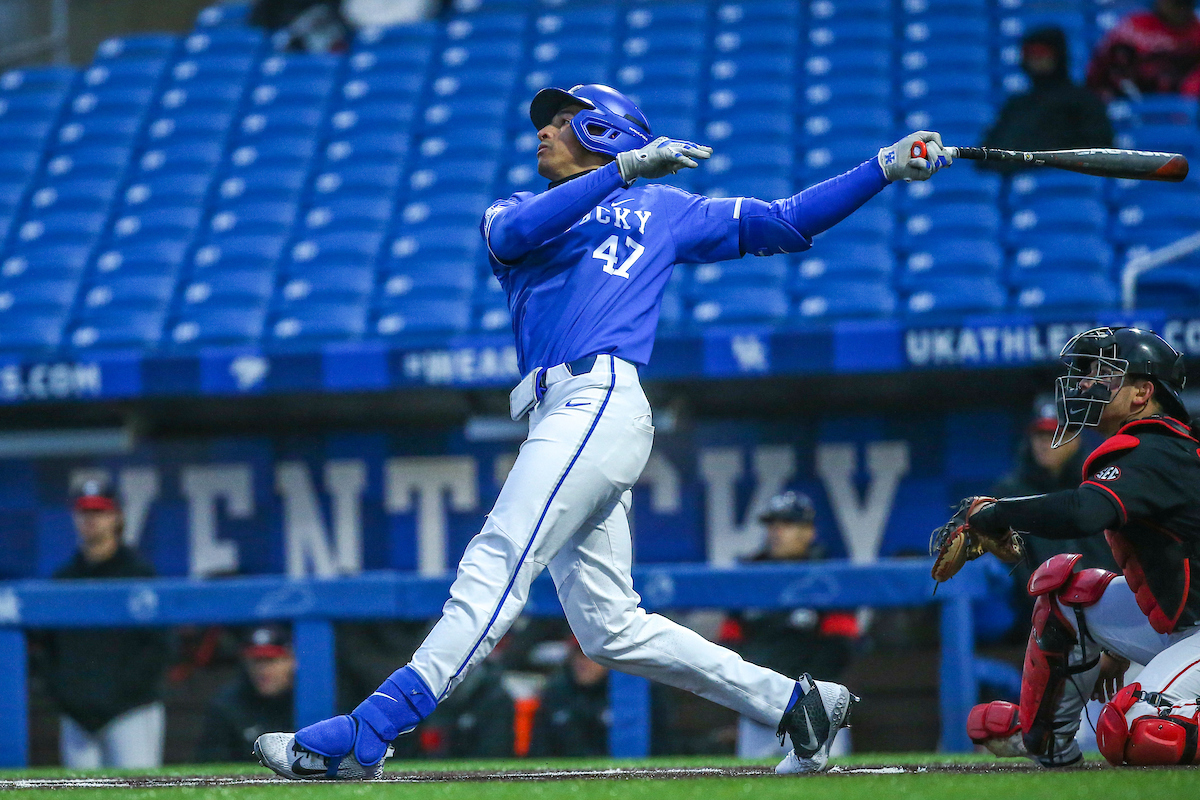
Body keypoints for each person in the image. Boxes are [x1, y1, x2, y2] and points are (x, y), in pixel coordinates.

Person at [254, 83, 952, 779]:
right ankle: (795, 704)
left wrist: (882, 168)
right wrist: (624, 173)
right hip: (559, 412)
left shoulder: (665, 209)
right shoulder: (518, 208)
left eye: (563, 121)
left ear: (604, 130)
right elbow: (513, 236)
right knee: (610, 628)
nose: (543, 133)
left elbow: (785, 220)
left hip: (599, 397)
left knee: (496, 561)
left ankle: (369, 729)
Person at [956, 327, 1200, 767]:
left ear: (1142, 392)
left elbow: (1083, 512)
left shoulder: (1158, 446)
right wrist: (1116, 644)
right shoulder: (1154, 445)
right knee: (1071, 595)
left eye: (1104, 376)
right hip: (1185, 624)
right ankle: (1048, 740)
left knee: (1139, 729)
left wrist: (997, 513)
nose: (1086, 385)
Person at [35, 482, 169, 768]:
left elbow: (161, 647)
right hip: (77, 717)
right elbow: (46, 650)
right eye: (84, 512)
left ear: (117, 517)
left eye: (99, 511)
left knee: (139, 793)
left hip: (130, 711)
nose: (91, 519)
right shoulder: (63, 580)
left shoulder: (140, 575)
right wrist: (69, 699)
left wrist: (114, 697)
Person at [719, 492, 859, 759]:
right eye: (772, 524)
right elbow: (730, 645)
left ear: (809, 531)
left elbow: (840, 649)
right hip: (759, 712)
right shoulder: (749, 576)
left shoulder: (829, 576)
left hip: (817, 712)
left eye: (787, 524)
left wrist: (802, 698)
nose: (777, 532)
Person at [993, 401, 1120, 619]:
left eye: (1055, 436)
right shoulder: (1012, 493)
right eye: (1040, 436)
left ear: (1076, 439)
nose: (1045, 444)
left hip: (1108, 604)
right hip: (1040, 615)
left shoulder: (1098, 483)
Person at [980, 27, 1113, 174]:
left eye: (1042, 53)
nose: (1035, 59)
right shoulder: (1016, 105)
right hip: (1021, 187)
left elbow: (1099, 150)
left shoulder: (1084, 101)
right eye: (1029, 54)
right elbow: (988, 155)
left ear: (1058, 55)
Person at [196, 626, 296, 763]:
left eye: (271, 661)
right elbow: (209, 761)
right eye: (256, 661)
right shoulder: (227, 705)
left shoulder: (307, 700)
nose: (263, 670)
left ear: (291, 662)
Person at [1086, 0, 1200, 100]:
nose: (1180, 10)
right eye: (1175, 3)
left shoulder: (1196, 31)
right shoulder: (1135, 25)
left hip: (1182, 104)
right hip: (1132, 99)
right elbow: (1100, 68)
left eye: (1184, 3)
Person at [529, 637, 610, 758]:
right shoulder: (556, 693)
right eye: (578, 655)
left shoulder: (623, 694)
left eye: (591, 657)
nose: (583, 663)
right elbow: (539, 749)